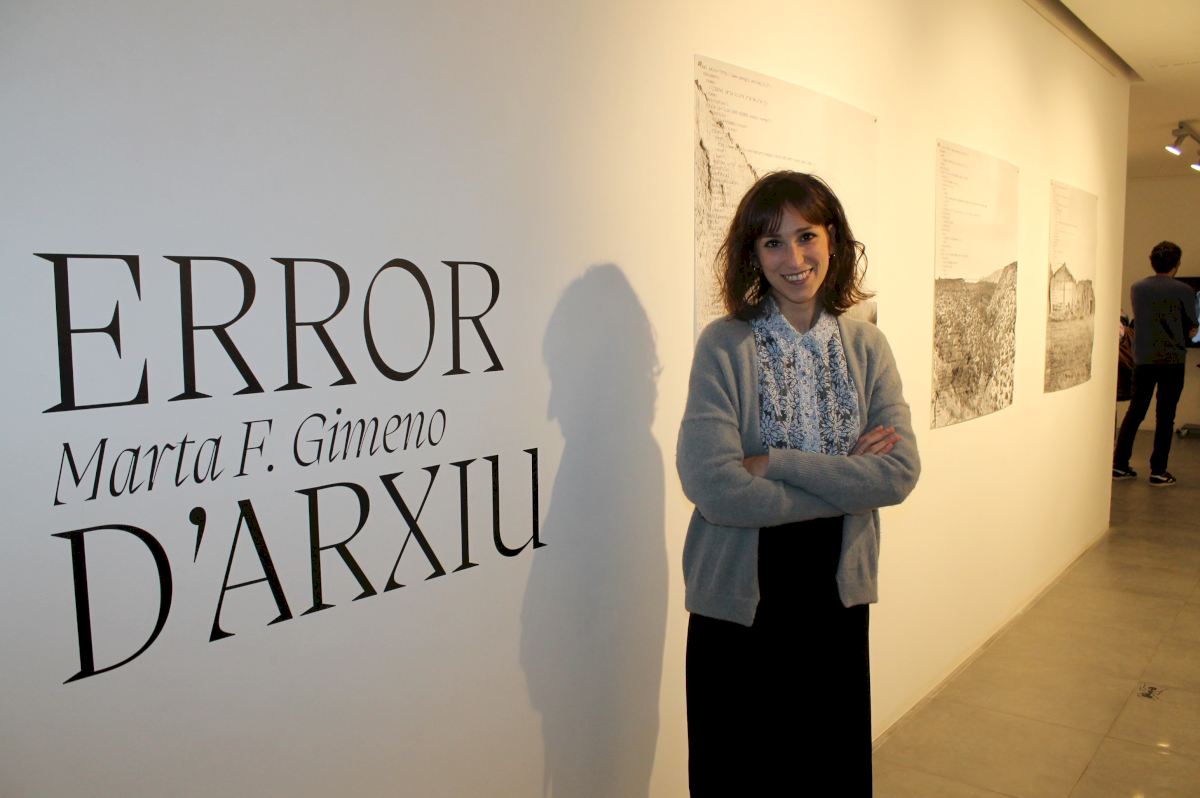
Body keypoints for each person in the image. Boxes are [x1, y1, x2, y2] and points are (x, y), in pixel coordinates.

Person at [677, 171, 920, 796]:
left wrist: (777, 462)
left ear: (832, 238)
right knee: (739, 774)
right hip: (740, 598)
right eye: (772, 242)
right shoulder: (723, 346)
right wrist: (846, 480)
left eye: (806, 235)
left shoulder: (868, 347)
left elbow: (897, 473)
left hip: (834, 595)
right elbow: (714, 487)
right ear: (753, 255)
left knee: (825, 771)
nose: (794, 258)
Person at [1112, 240, 1198, 486]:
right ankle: (1158, 471)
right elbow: (1192, 325)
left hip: (1143, 359)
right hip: (1172, 360)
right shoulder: (1184, 290)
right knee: (1165, 416)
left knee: (1135, 411)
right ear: (1176, 264)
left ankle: (1119, 465)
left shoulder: (1137, 287)